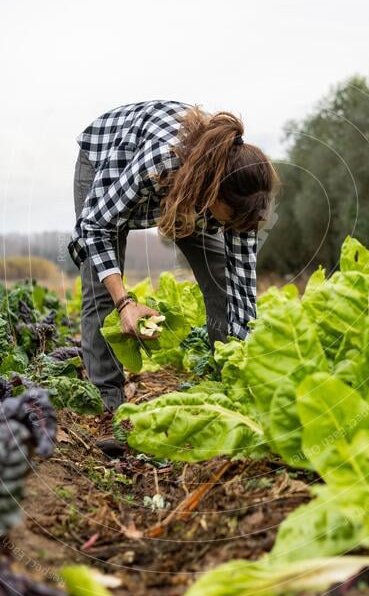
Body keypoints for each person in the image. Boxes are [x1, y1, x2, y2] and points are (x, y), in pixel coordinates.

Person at [68, 99, 277, 418]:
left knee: (221, 274)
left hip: (190, 190)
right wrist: (125, 303)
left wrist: (244, 361)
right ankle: (106, 401)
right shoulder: (161, 161)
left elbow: (242, 290)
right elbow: (96, 226)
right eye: (227, 220)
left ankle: (227, 383)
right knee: (100, 286)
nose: (228, 230)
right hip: (106, 160)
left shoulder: (243, 196)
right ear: (213, 191)